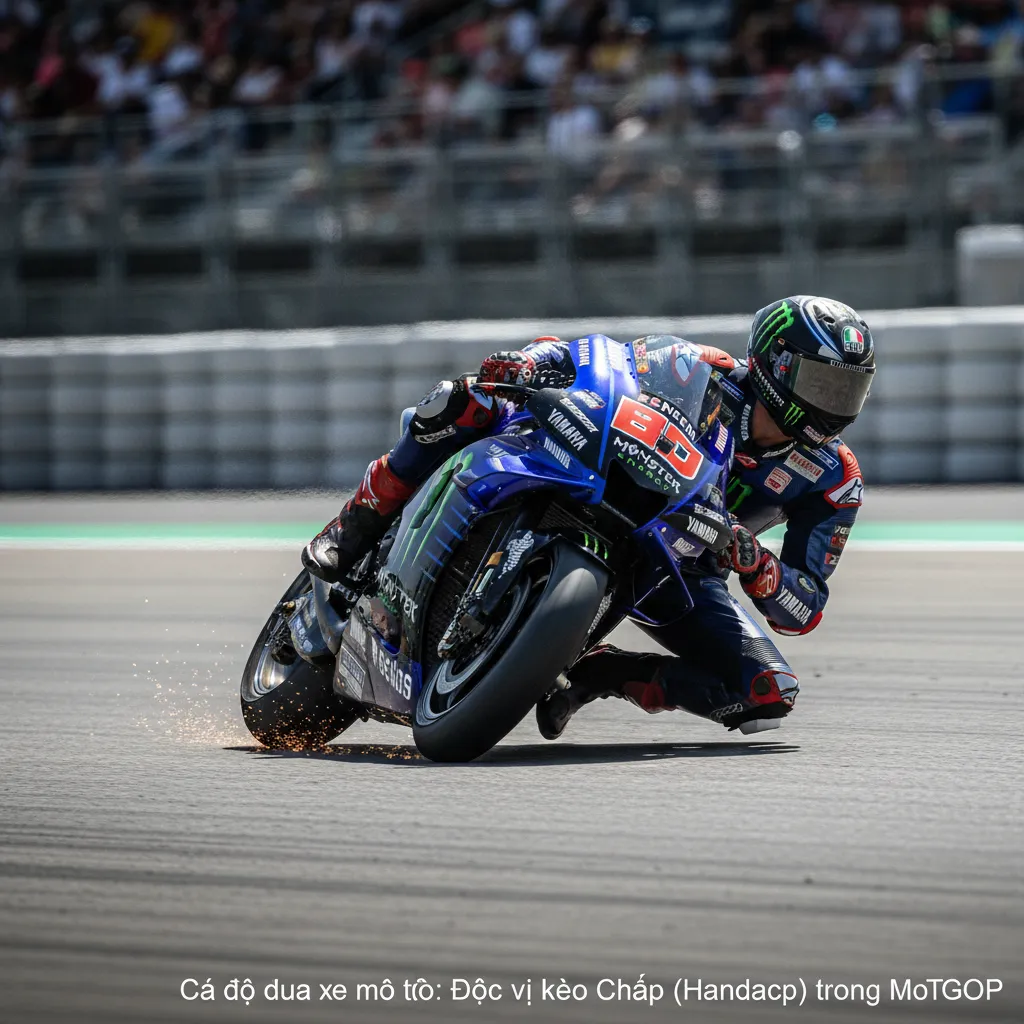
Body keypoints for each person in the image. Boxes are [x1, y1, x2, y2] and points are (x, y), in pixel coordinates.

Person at [304, 295, 875, 737]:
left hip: (680, 568)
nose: (836, 404)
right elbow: (595, 357)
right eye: (823, 383)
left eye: (850, 390)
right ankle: (353, 527)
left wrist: (758, 567)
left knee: (767, 692)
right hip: (597, 469)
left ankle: (599, 674)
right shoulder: (699, 366)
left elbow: (804, 608)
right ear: (775, 367)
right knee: (463, 399)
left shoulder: (834, 478)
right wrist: (531, 362)